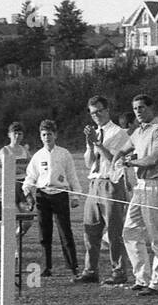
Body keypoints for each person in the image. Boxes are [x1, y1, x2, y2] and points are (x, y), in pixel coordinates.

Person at [121, 94, 158, 295]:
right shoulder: (139, 131)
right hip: (141, 187)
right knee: (130, 231)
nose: (138, 112)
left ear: (152, 108)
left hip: (156, 186)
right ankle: (142, 278)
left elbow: (153, 159)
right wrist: (117, 158)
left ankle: (157, 284)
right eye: (135, 109)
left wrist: (130, 162)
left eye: (141, 108)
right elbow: (124, 149)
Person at [80, 96, 132, 286]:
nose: (96, 115)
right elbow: (88, 163)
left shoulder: (118, 133)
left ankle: (118, 271)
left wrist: (97, 144)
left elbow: (114, 161)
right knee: (90, 229)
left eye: (99, 111)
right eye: (93, 112)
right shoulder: (94, 132)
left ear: (107, 110)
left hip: (111, 184)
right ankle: (90, 270)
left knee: (114, 231)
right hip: (94, 183)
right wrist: (90, 143)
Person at [22, 119, 81, 278]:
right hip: (43, 195)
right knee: (44, 233)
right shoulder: (37, 156)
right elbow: (30, 178)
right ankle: (46, 267)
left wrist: (75, 195)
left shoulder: (64, 153)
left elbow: (72, 176)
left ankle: (73, 266)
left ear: (55, 135)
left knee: (65, 231)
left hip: (60, 194)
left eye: (50, 134)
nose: (47, 137)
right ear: (40, 137)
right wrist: (28, 193)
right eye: (44, 134)